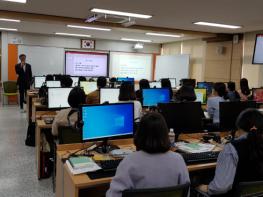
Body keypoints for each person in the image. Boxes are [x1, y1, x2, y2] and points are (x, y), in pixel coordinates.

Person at [106, 112, 190, 197]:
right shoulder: (178, 160)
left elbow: (113, 195)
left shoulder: (129, 162)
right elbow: (186, 192)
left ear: (139, 134)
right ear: (165, 134)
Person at [198, 108, 263, 196]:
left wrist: (202, 187)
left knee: (196, 182)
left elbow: (220, 187)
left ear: (239, 125)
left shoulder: (232, 148)